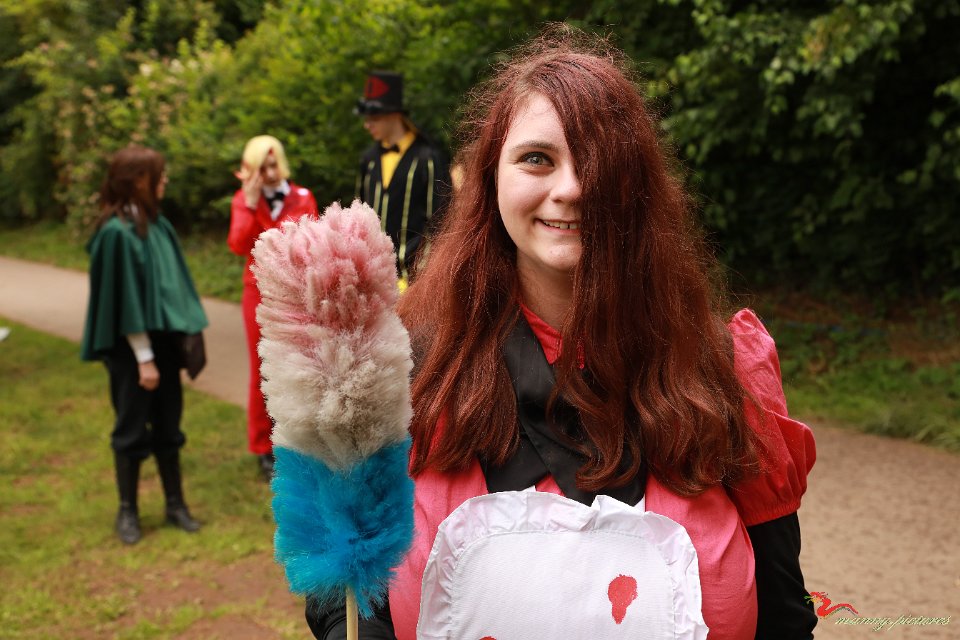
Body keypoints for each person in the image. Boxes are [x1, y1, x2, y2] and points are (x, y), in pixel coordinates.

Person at [306, 27, 817, 639]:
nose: (572, 188)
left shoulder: (724, 370)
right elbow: (343, 594)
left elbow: (786, 614)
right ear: (491, 177)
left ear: (637, 186)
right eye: (537, 158)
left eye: (599, 160)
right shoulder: (403, 371)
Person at [81, 145, 208, 545]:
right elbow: (123, 301)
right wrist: (143, 359)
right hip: (130, 350)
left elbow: (175, 286)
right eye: (159, 174)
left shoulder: (157, 225)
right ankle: (128, 511)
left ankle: (175, 505)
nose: (164, 180)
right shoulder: (116, 233)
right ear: (138, 181)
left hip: (164, 344)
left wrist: (188, 333)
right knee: (131, 429)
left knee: (169, 426)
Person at [228, 135, 318, 480]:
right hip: (258, 293)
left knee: (298, 369)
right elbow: (238, 244)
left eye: (272, 164)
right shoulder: (243, 200)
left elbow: (311, 244)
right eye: (260, 167)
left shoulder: (303, 196)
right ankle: (262, 447)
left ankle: (298, 442)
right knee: (262, 370)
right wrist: (251, 205)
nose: (267, 173)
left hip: (296, 294)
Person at [354, 71, 451, 284]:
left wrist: (422, 274)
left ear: (395, 115)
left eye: (374, 118)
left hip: (415, 279)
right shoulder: (369, 160)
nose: (367, 125)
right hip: (373, 280)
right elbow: (358, 215)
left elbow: (441, 220)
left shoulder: (428, 158)